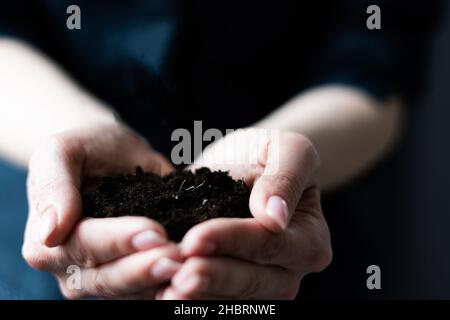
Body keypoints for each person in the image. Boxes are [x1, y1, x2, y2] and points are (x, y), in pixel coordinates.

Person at [0, 1, 440, 299]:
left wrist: (279, 166)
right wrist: (74, 137)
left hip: (290, 242)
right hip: (35, 237)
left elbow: (373, 66)